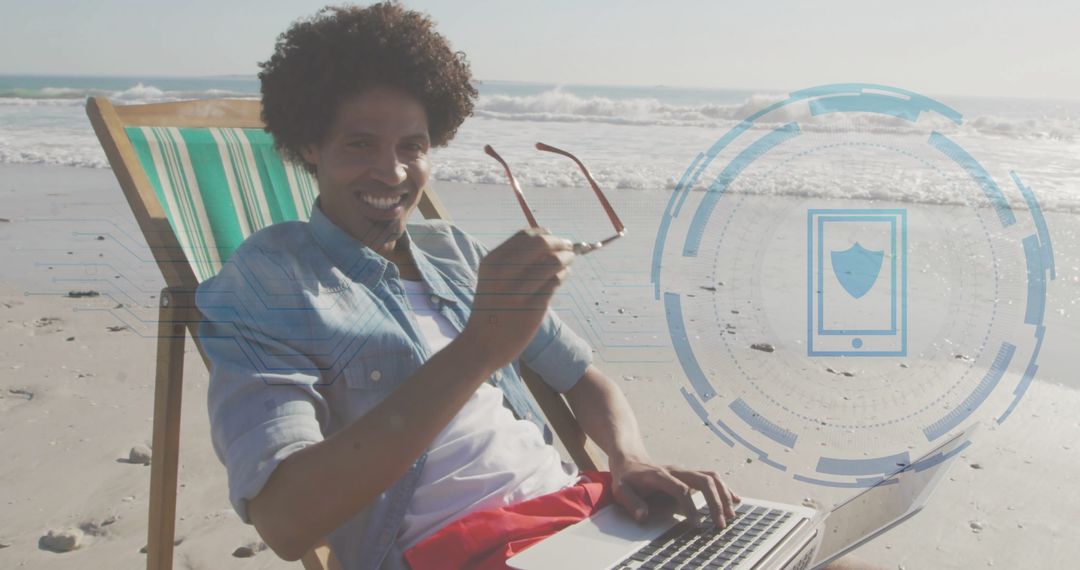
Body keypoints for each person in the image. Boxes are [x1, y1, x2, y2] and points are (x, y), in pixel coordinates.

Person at [196, 3, 877, 569]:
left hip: (584, 518)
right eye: (359, 145)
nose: (394, 172)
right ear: (309, 145)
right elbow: (285, 522)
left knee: (821, 553)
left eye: (413, 145)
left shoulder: (454, 254)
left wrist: (628, 457)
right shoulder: (267, 283)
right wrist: (477, 352)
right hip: (463, 550)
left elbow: (584, 376)